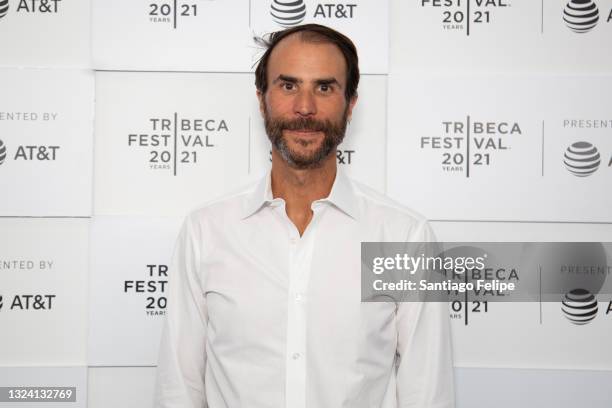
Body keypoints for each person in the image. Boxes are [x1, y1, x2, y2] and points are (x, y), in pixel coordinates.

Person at [154, 23, 454, 408]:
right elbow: (178, 389)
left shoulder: (404, 236)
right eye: (288, 86)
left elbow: (427, 394)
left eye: (325, 87)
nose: (305, 107)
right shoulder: (206, 231)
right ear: (262, 100)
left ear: (351, 104)